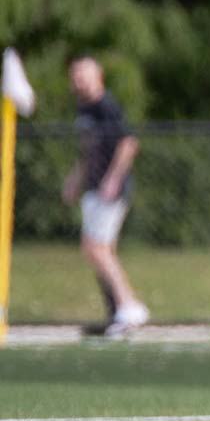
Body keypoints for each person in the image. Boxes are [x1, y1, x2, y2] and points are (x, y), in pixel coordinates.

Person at [62, 57, 151, 338]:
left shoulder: (105, 105)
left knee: (95, 248)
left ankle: (129, 307)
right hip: (93, 187)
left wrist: (112, 179)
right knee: (101, 251)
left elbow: (128, 142)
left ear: (98, 76)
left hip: (109, 188)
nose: (79, 81)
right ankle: (115, 315)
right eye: (75, 75)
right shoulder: (84, 109)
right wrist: (76, 179)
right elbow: (89, 151)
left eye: (84, 75)